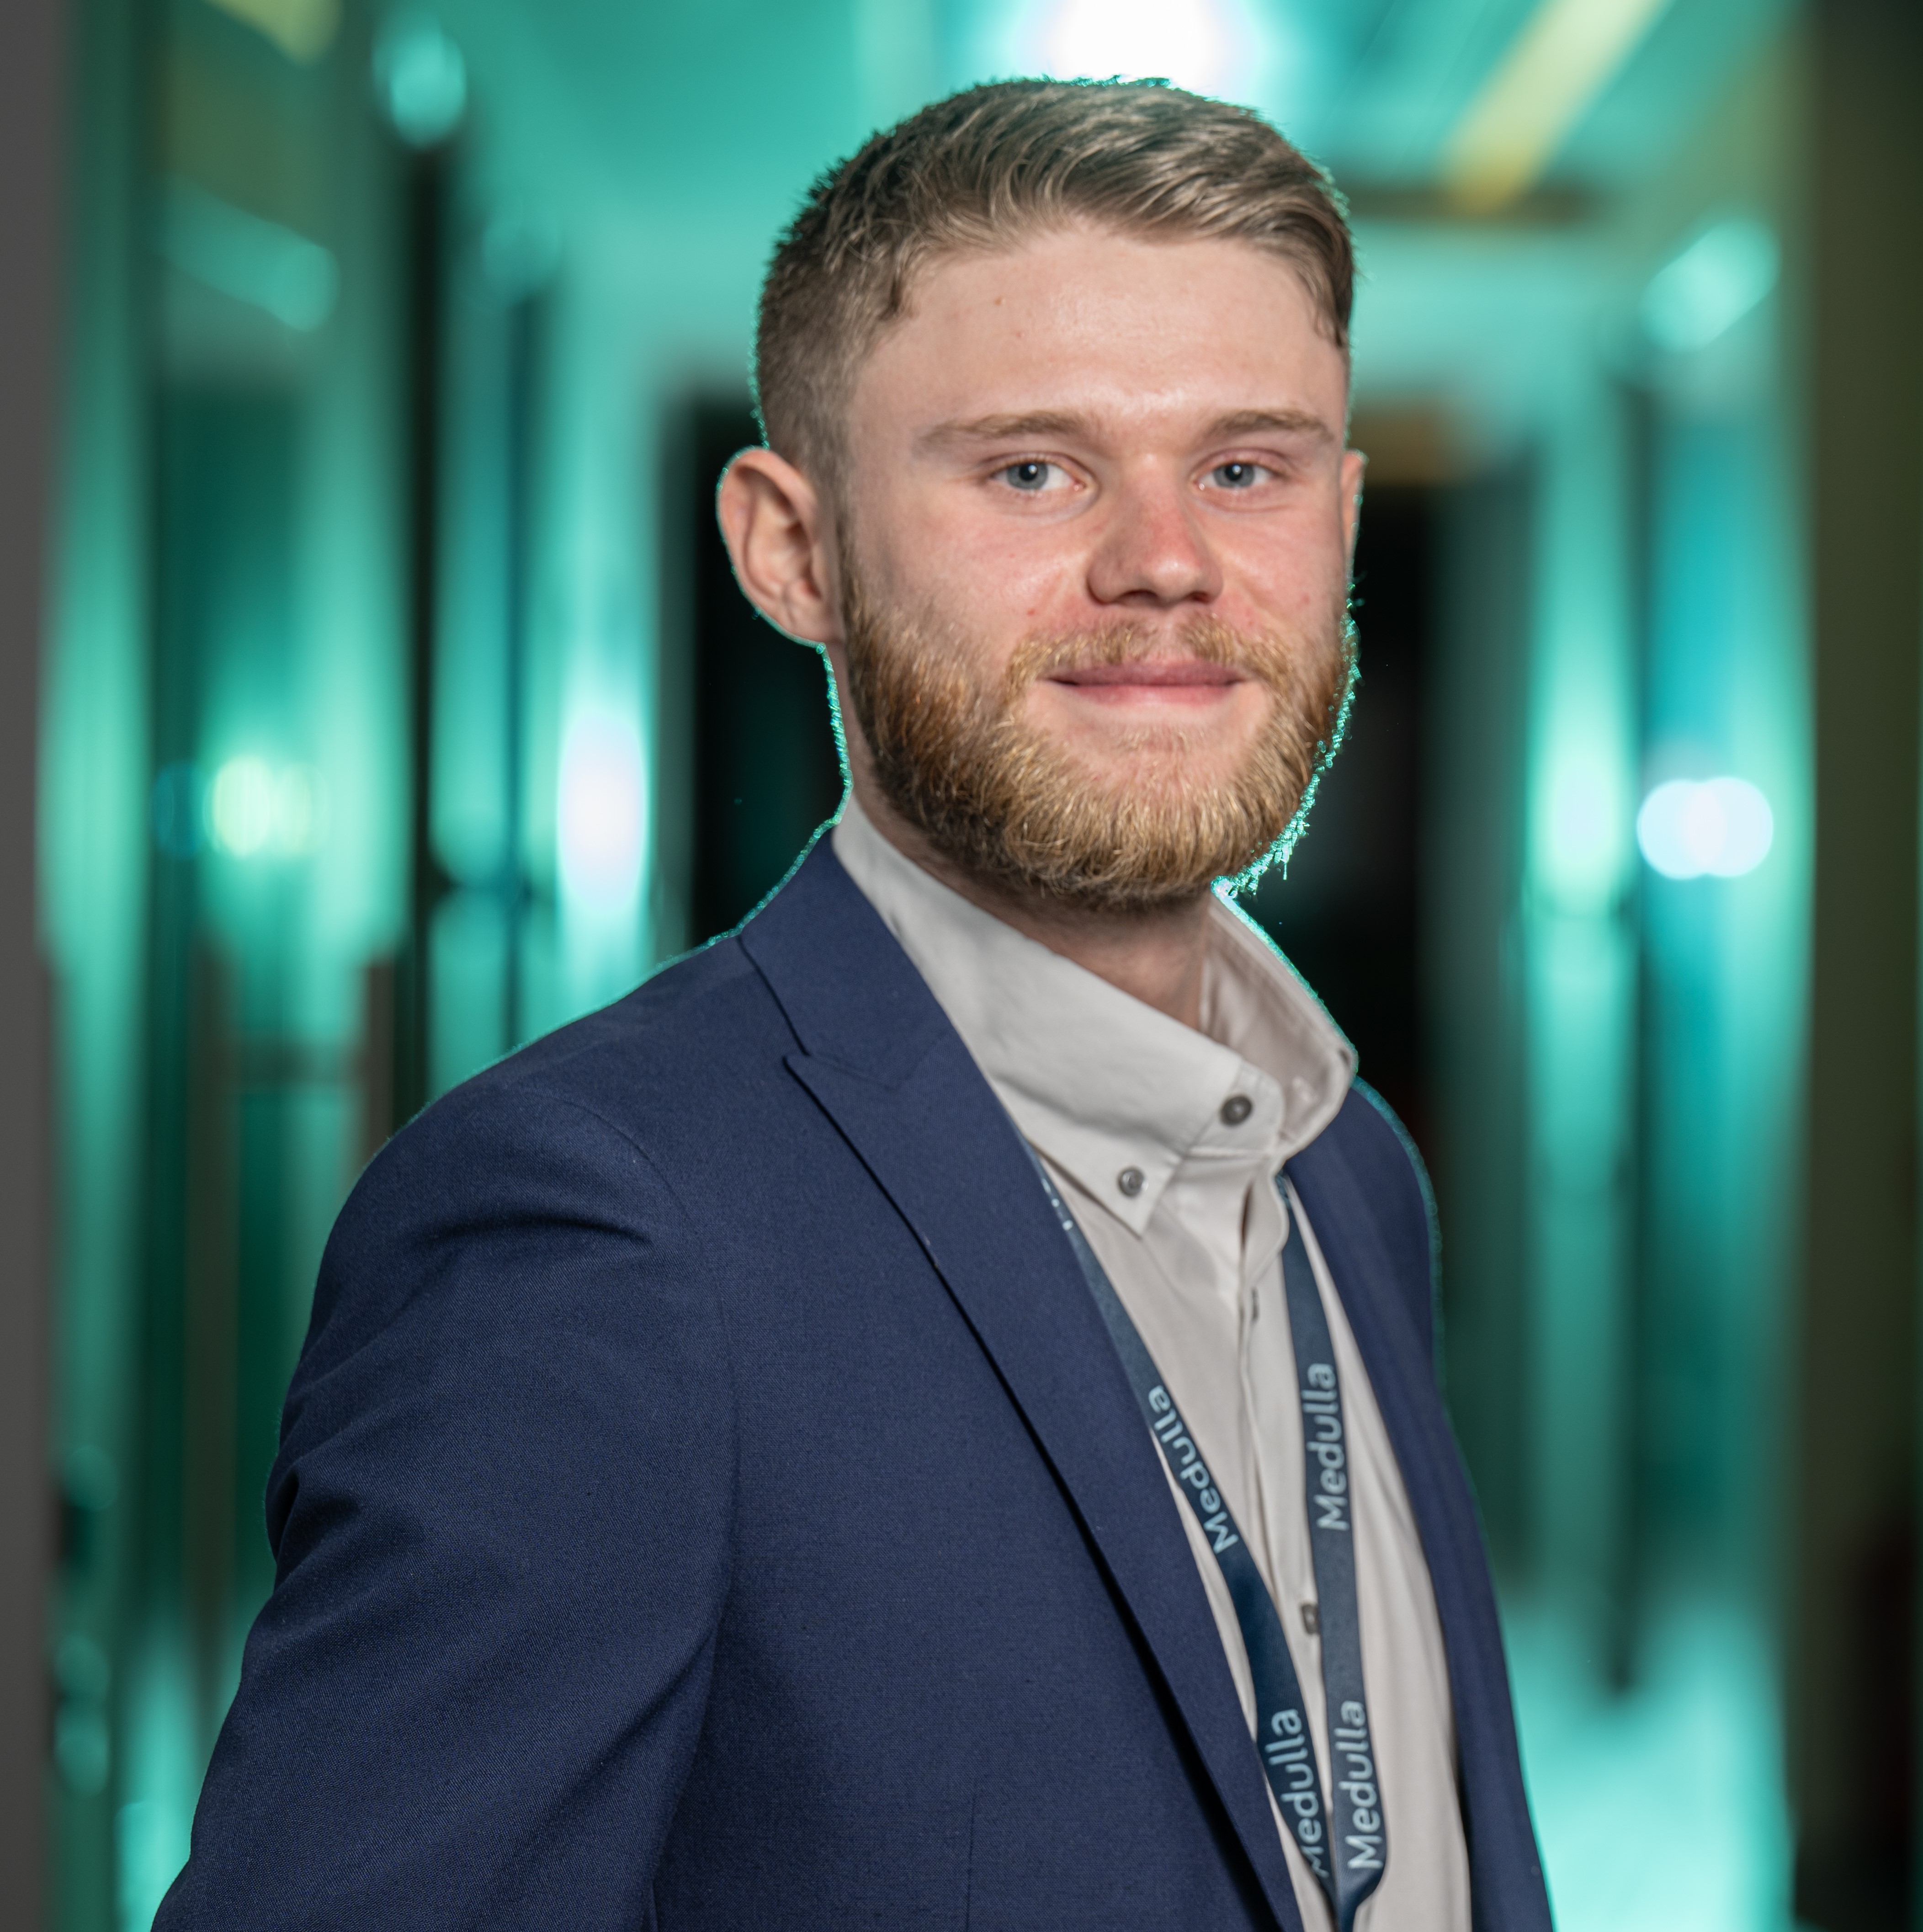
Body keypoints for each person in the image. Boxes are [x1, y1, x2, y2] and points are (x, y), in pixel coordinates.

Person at [159, 83, 1548, 1932]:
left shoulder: (1351, 1174)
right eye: (1032, 468)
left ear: (1341, 511)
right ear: (789, 550)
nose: (1164, 560)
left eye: (1246, 465)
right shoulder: (596, 1229)